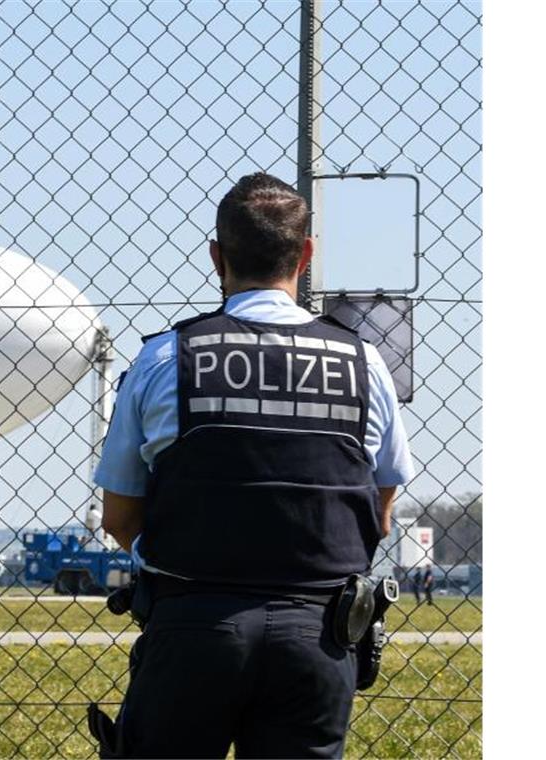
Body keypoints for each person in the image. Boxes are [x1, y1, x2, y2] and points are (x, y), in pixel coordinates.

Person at [93, 173, 414, 759]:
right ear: (306, 254)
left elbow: (119, 516)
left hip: (193, 625)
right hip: (318, 634)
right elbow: (381, 509)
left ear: (217, 256)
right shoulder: (364, 363)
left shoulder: (165, 358)